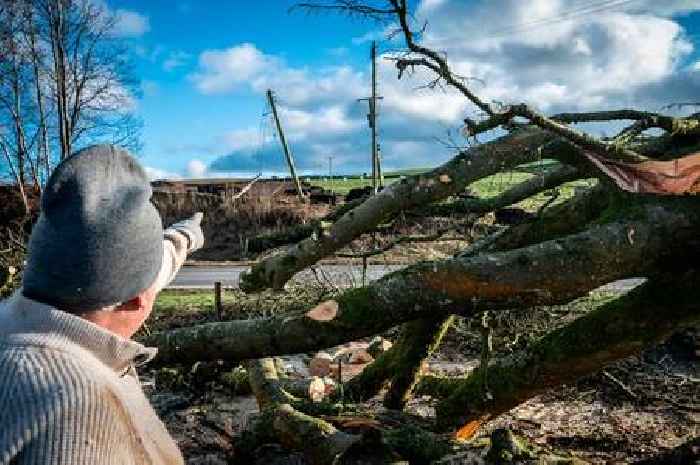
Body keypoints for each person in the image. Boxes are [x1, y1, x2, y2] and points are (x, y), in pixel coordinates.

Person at [0, 145, 203, 465]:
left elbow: (155, 263)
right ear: (136, 301)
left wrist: (187, 235)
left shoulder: (21, 313)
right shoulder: (76, 409)